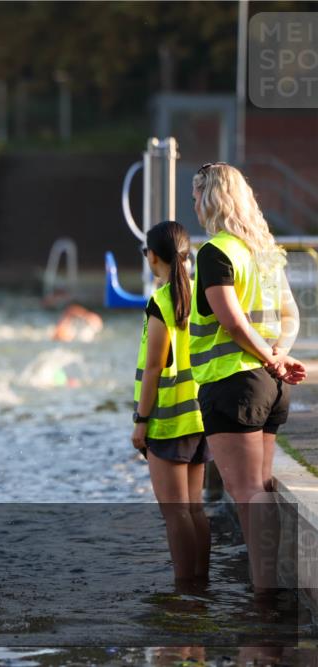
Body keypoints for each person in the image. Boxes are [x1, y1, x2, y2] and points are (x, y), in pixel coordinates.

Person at [189, 163, 307, 590]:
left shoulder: (214, 252)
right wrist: (279, 355)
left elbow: (234, 324)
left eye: (196, 195)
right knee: (260, 489)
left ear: (212, 198)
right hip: (270, 388)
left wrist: (271, 359)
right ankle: (269, 584)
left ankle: (264, 590)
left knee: (247, 494)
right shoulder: (264, 251)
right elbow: (291, 315)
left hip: (232, 383)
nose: (194, 205)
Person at [130, 221, 210, 586]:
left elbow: (153, 369)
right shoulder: (200, 294)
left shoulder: (161, 302)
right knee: (194, 509)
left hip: (167, 421)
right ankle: (200, 585)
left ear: (153, 256)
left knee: (174, 513)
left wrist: (141, 421)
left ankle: (184, 592)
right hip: (199, 416)